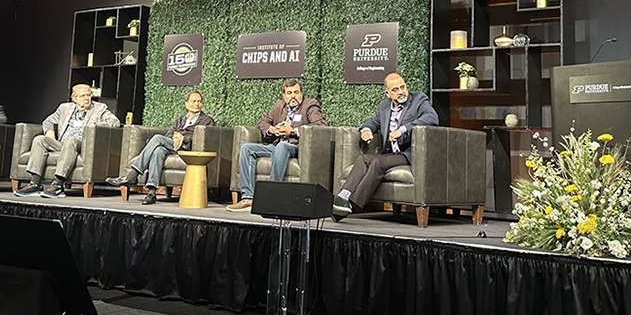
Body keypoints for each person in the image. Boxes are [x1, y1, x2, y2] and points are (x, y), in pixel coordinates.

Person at [332, 73, 438, 221]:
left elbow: (432, 118)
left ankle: (352, 204)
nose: (401, 91)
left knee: (377, 163)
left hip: (408, 153)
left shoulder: (418, 100)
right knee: (363, 159)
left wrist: (402, 130)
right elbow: (372, 122)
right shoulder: (384, 106)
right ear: (387, 93)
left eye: (403, 87)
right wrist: (366, 131)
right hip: (390, 154)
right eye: (395, 89)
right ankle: (343, 196)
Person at [226, 79, 327, 212]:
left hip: (298, 147)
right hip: (277, 144)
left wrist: (292, 131)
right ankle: (248, 198)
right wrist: (272, 129)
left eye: (296, 92)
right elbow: (263, 123)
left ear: (301, 93)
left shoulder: (310, 105)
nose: (293, 96)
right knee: (247, 148)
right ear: (284, 96)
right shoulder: (279, 106)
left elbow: (320, 125)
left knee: (282, 147)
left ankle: (270, 197)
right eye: (289, 93)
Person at [105, 90, 215, 205]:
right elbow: (168, 135)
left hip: (188, 149)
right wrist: (175, 137)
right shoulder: (180, 120)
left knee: (157, 138)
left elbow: (204, 137)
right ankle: (152, 192)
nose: (197, 104)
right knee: (159, 150)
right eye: (193, 101)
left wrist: (183, 138)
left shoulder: (207, 120)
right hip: (174, 146)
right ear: (186, 103)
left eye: (199, 101)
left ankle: (132, 175)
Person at [15, 84, 120, 198]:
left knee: (71, 140)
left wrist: (94, 127)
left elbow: (115, 122)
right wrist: (49, 132)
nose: (86, 98)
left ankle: (58, 184)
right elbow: (48, 121)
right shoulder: (64, 108)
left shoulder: (99, 108)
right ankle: (35, 183)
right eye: (82, 96)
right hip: (62, 144)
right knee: (39, 139)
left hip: (82, 144)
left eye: (89, 95)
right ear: (74, 98)